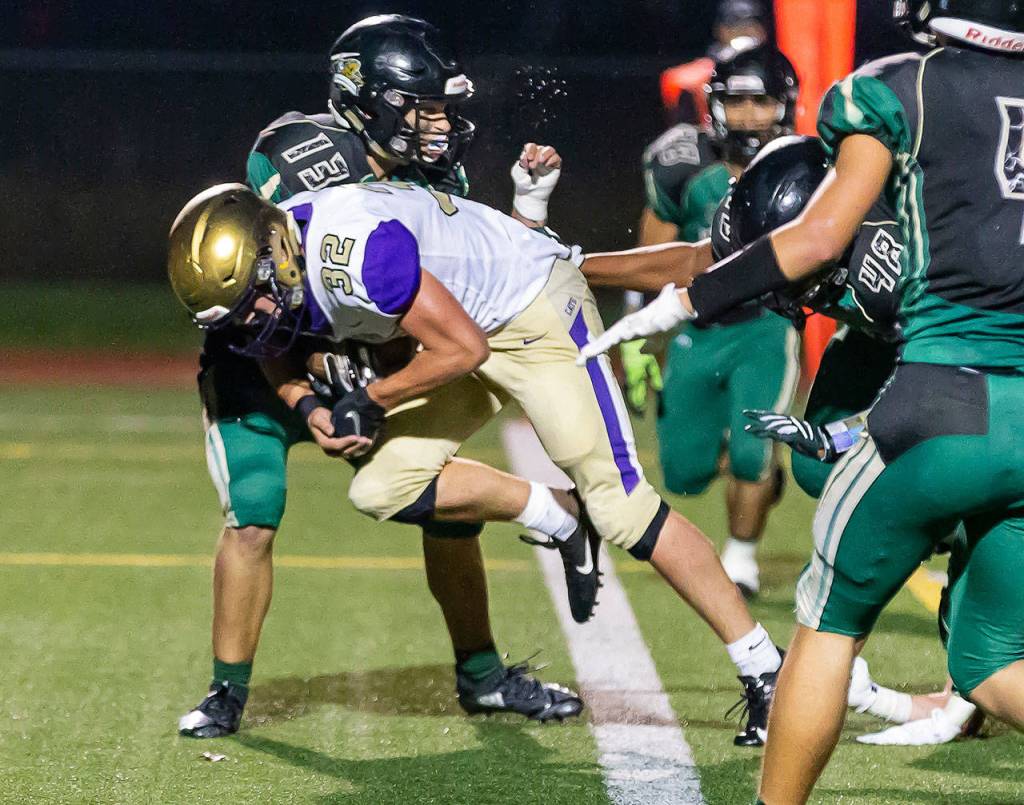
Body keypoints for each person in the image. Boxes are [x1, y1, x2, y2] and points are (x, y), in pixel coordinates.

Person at [166, 174, 788, 747]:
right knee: (381, 487)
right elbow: (273, 342)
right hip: (466, 328)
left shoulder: (353, 252)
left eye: (253, 302)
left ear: (279, 252)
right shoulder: (279, 266)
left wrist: (372, 400)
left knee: (623, 507)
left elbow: (460, 349)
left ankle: (766, 671)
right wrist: (308, 406)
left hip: (534, 311)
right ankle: (563, 518)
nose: (251, 322)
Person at [580, 2, 1024, 800]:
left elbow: (812, 245)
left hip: (952, 387)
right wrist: (581, 265)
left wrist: (688, 304)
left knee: (827, 618)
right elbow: (717, 251)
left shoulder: (889, 99)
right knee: (995, 664)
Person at [178, 14, 582, 739]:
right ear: (370, 104)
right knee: (255, 513)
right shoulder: (290, 159)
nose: (438, 124)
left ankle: (483, 675)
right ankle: (226, 692)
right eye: (419, 106)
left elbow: (439, 294)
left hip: (361, 355)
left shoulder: (436, 170)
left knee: (438, 503)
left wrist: (375, 385)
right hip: (264, 359)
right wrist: (305, 394)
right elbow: (260, 302)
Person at [631, 44, 800, 598]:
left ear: (786, 105)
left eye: (762, 101)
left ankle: (742, 557)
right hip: (696, 327)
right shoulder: (684, 164)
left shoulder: (808, 166)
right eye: (738, 100)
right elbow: (651, 256)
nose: (750, 114)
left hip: (768, 325)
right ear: (714, 105)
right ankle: (756, 475)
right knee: (684, 472)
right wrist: (640, 335)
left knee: (753, 447)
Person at [659, 0, 769, 126]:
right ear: (719, 30)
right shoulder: (693, 78)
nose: (746, 32)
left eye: (752, 26)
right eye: (736, 26)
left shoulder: (778, 72)